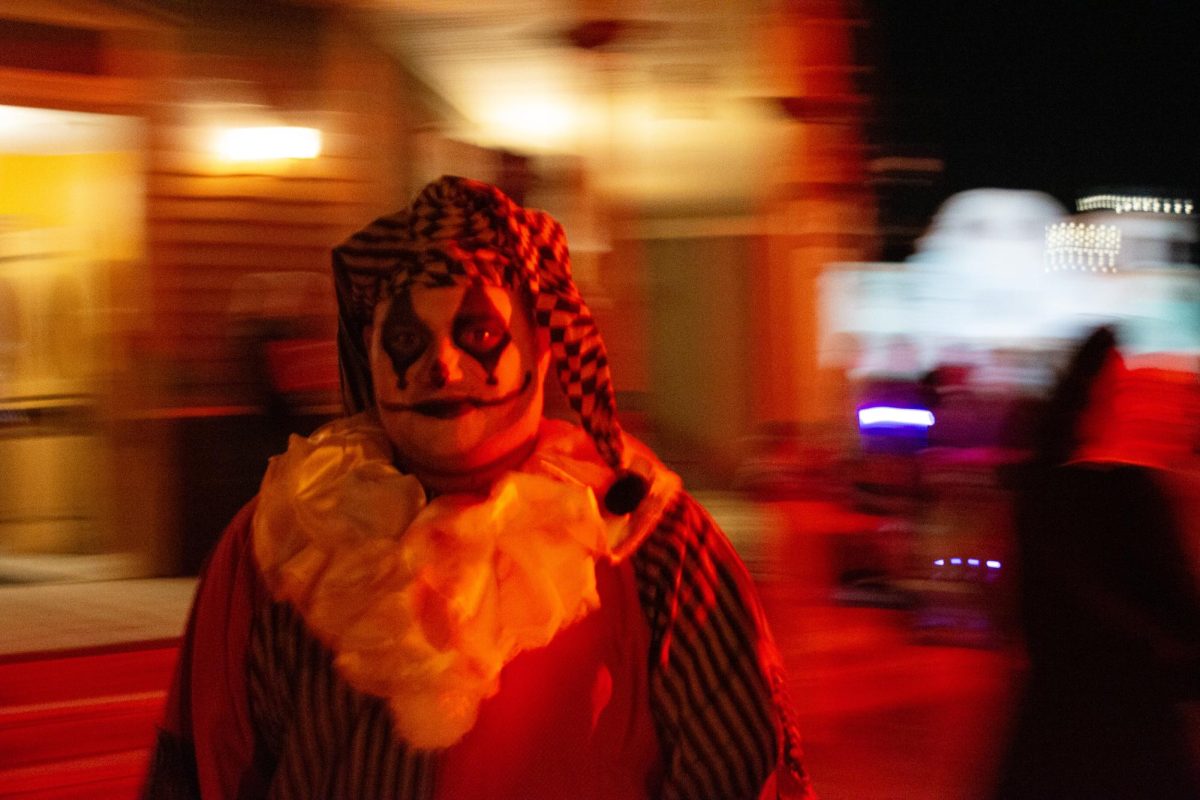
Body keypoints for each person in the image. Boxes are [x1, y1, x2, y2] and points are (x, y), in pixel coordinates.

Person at [144, 175, 815, 799]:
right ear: (368, 354)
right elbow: (200, 766)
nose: (441, 362)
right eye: (407, 336)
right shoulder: (281, 542)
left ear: (542, 348)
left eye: (480, 332)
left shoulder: (653, 543)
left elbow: (741, 768)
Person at [993, 326, 1200, 800]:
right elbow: (1166, 608)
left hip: (1058, 726)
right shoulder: (1125, 494)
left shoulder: (1049, 492)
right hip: (1120, 728)